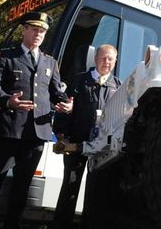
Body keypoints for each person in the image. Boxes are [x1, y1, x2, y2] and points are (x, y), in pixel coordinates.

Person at [0, 11, 73, 229]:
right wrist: (7, 101)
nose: (38, 34)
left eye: (42, 31)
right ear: (24, 30)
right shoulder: (6, 55)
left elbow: (56, 93)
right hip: (8, 130)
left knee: (21, 188)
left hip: (36, 135)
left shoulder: (50, 62)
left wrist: (67, 104)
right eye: (34, 29)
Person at [50, 44, 120, 229]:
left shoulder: (118, 86)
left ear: (115, 62)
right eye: (103, 58)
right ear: (95, 58)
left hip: (102, 150)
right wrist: (61, 135)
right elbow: (64, 110)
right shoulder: (79, 81)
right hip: (75, 145)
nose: (106, 62)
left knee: (95, 193)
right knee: (70, 189)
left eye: (110, 59)